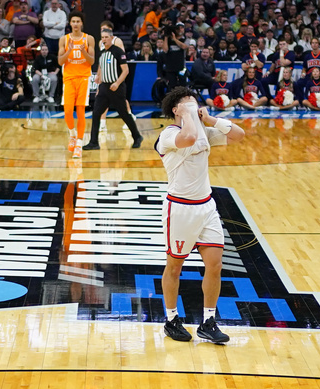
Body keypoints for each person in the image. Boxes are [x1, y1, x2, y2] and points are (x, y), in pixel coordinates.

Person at [156, 87, 244, 345]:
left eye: (196, 103)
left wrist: (212, 119)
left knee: (215, 265)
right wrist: (189, 117)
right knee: (175, 266)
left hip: (206, 207)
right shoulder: (168, 135)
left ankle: (208, 322)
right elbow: (190, 137)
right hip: (179, 209)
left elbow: (239, 135)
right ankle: (171, 319)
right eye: (188, 104)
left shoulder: (203, 129)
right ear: (176, 110)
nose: (194, 107)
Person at [83, 26, 143, 151]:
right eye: (102, 37)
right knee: (96, 114)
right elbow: (101, 66)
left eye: (106, 37)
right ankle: (94, 142)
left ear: (111, 38)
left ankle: (137, 136)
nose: (104, 39)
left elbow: (125, 70)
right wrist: (98, 77)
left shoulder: (118, 52)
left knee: (124, 114)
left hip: (117, 87)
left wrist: (117, 83)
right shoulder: (103, 52)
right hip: (104, 87)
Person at [58, 11, 94, 158]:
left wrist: (82, 51)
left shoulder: (88, 39)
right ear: (70, 23)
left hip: (84, 78)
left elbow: (91, 61)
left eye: (78, 21)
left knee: (80, 112)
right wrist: (70, 50)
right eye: (73, 21)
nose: (75, 24)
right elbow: (60, 61)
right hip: (69, 78)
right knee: (67, 111)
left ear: (82, 23)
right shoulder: (64, 40)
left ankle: (79, 143)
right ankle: (72, 134)